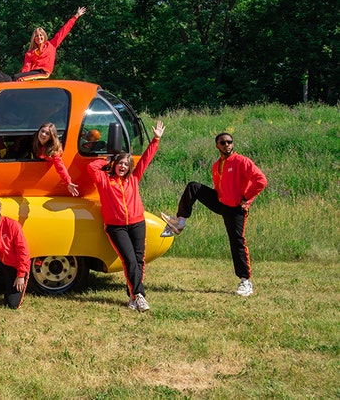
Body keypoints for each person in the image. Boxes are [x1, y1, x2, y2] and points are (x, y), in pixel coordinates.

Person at [160, 132, 267, 297]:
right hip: (221, 203)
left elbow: (261, 180)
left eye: (229, 142)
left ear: (233, 144)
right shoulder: (217, 165)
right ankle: (180, 221)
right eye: (223, 142)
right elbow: (219, 188)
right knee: (193, 187)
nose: (227, 145)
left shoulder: (242, 161)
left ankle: (245, 281)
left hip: (236, 208)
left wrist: (245, 198)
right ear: (217, 146)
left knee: (237, 241)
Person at [86, 121, 164, 312]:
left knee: (138, 260)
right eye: (120, 163)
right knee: (129, 259)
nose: (122, 167)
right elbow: (92, 168)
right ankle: (140, 295)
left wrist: (156, 139)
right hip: (116, 226)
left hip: (137, 223)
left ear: (130, 168)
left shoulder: (133, 179)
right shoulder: (105, 180)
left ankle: (132, 296)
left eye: (126, 164)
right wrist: (109, 159)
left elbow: (146, 159)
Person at [13, 7, 86, 81]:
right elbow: (26, 67)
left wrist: (76, 16)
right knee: (16, 77)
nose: (39, 37)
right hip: (33, 73)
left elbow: (63, 31)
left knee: (17, 78)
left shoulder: (51, 45)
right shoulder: (30, 53)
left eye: (40, 35)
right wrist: (23, 75)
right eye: (36, 36)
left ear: (44, 36)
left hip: (44, 73)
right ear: (34, 39)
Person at [31, 123, 80, 196]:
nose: (43, 134)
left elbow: (60, 167)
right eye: (42, 131)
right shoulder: (36, 141)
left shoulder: (53, 150)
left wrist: (68, 182)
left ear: (51, 137)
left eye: (47, 133)